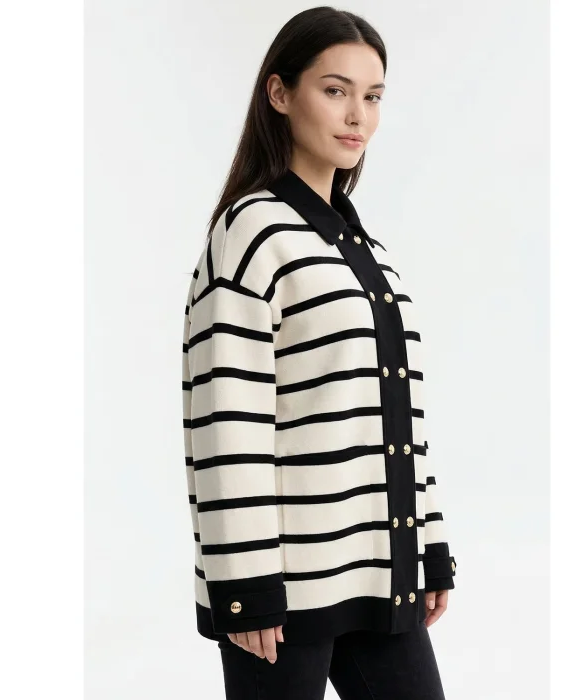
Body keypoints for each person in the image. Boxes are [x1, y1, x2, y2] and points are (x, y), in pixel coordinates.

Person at [181, 6, 457, 699]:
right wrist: (244, 584)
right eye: (335, 90)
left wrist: (427, 547)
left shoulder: (368, 255)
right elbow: (227, 421)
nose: (357, 115)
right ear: (280, 94)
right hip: (283, 589)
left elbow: (398, 417)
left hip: (378, 571)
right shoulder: (251, 234)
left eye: (373, 96)